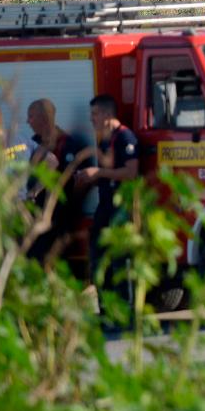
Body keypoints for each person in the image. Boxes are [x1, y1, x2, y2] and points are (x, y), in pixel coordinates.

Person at [75, 94, 138, 304]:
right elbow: (106, 172)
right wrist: (89, 178)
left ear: (108, 114)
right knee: (99, 258)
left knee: (119, 261)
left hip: (121, 208)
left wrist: (99, 173)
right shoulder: (105, 139)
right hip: (105, 206)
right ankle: (106, 310)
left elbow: (130, 172)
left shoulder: (125, 138)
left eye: (95, 114)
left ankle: (122, 311)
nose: (91, 119)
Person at [25, 98, 89, 262]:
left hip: (58, 219)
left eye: (31, 117)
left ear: (44, 118)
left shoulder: (68, 144)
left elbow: (77, 183)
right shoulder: (33, 143)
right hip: (35, 217)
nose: (27, 121)